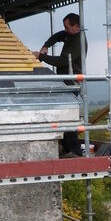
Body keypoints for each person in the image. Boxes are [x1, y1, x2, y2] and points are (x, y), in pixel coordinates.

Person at [35, 13, 89, 156]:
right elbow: (58, 35)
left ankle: (74, 150)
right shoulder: (70, 35)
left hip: (72, 81)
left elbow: (62, 61)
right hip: (65, 80)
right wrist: (46, 45)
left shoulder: (79, 41)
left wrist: (41, 56)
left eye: (67, 26)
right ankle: (67, 147)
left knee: (70, 115)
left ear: (76, 27)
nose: (65, 29)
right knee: (65, 114)